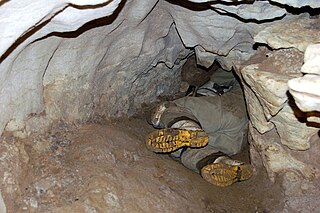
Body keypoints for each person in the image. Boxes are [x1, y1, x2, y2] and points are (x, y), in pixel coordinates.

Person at [145, 68, 253, 187]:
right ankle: (224, 163)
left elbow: (216, 82)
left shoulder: (243, 70)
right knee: (185, 151)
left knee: (166, 108)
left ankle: (188, 128)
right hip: (240, 139)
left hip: (232, 111)